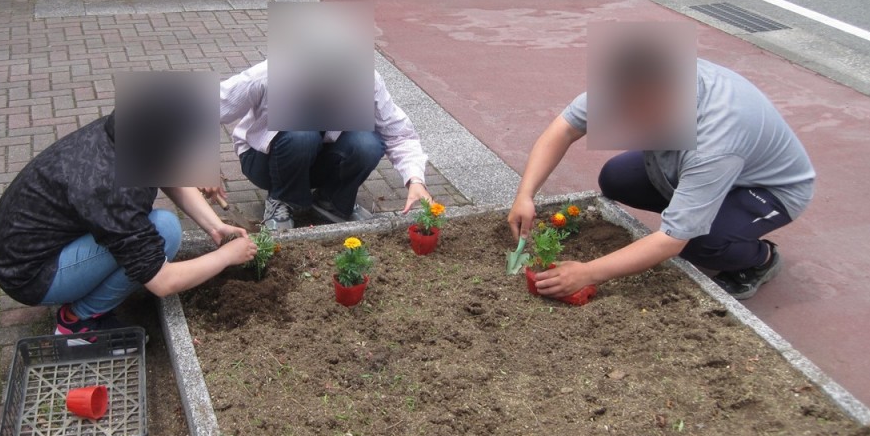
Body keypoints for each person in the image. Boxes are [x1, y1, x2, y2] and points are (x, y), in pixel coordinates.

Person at [508, 56, 815, 301]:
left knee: (699, 242)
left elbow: (672, 241)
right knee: (616, 178)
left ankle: (760, 260)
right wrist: (526, 194)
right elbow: (565, 128)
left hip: (768, 189)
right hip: (704, 166)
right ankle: (698, 203)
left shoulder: (716, 141)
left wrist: (587, 272)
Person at [0, 109, 258, 344]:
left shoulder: (126, 134)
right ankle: (77, 323)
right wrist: (225, 256)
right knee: (164, 232)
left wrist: (215, 227)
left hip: (31, 245)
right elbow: (164, 283)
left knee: (159, 227)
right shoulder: (114, 190)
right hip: (31, 275)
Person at [215, 60, 435, 231]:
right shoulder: (269, 75)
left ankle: (332, 200)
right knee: (302, 134)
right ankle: (281, 198)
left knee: (367, 143)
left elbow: (399, 134)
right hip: (263, 160)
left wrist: (415, 180)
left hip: (318, 156)